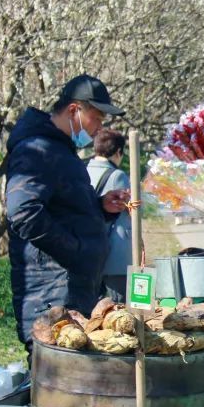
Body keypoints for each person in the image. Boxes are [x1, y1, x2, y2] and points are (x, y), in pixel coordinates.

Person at [6, 75, 130, 350]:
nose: (99, 129)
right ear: (74, 110)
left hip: (71, 287)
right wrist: (76, 250)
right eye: (96, 119)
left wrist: (101, 207)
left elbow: (64, 209)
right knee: (58, 379)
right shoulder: (37, 150)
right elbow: (23, 212)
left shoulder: (61, 150)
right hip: (51, 292)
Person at [85, 128, 133, 302]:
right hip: (115, 255)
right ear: (118, 152)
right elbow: (130, 207)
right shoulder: (117, 175)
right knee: (118, 308)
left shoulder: (84, 170)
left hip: (91, 250)